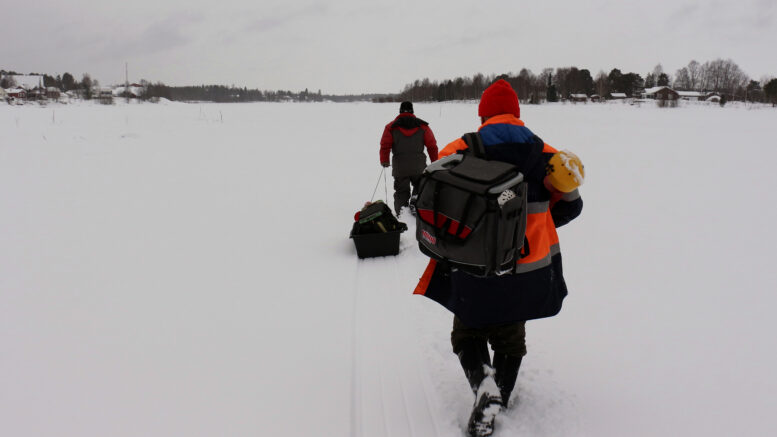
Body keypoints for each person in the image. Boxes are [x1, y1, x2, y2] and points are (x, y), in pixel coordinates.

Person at [412, 80, 583, 436]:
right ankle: (499, 396)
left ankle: (484, 388)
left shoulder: (460, 147)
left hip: (473, 263)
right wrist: (536, 226)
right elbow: (572, 205)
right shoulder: (548, 154)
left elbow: (436, 199)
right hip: (527, 267)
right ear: (517, 114)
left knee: (467, 332)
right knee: (510, 336)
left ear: (483, 114)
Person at [379, 101, 438, 215]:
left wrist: (384, 160)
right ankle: (416, 203)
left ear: (400, 111)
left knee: (401, 191)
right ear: (412, 111)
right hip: (419, 167)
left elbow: (385, 145)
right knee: (421, 186)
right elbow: (432, 146)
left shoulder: (391, 127)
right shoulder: (423, 126)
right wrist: (435, 161)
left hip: (400, 168)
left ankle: (402, 214)